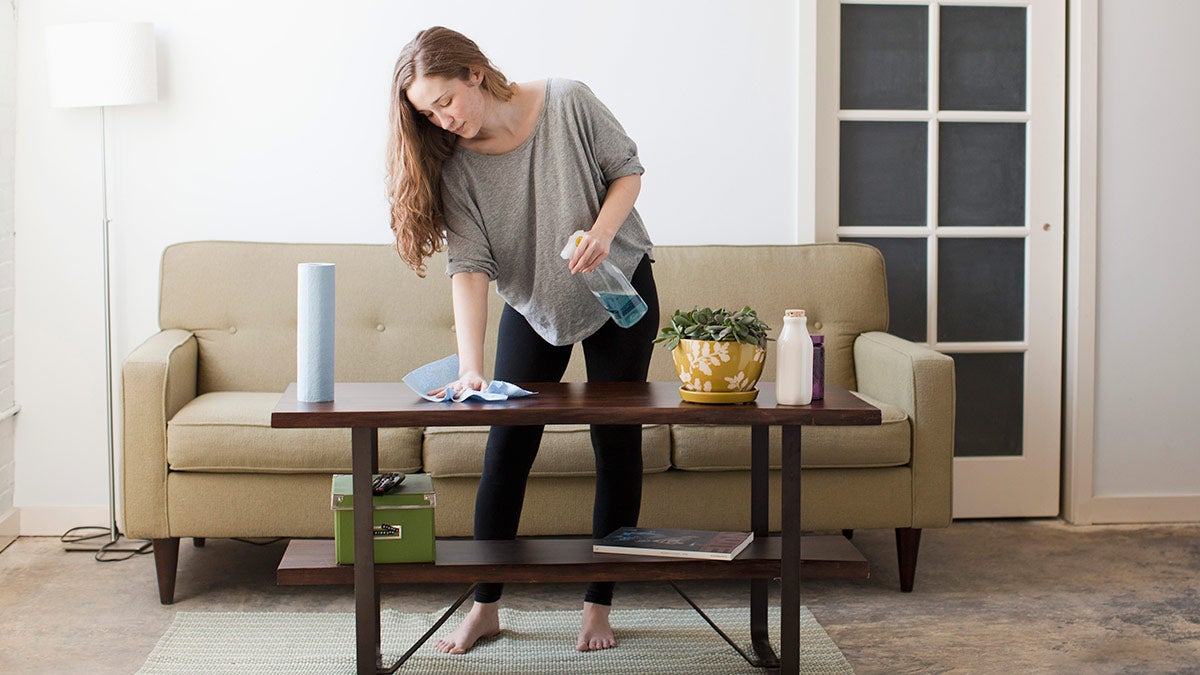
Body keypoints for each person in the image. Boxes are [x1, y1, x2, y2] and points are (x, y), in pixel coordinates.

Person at [385, 26, 659, 654]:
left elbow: (628, 172)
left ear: (475, 73)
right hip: (535, 305)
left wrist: (599, 232)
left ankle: (598, 604)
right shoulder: (452, 165)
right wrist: (473, 369)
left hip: (619, 287)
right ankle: (485, 605)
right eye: (427, 113)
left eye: (445, 102)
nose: (442, 121)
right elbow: (470, 268)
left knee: (616, 442)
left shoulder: (568, 100)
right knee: (507, 446)